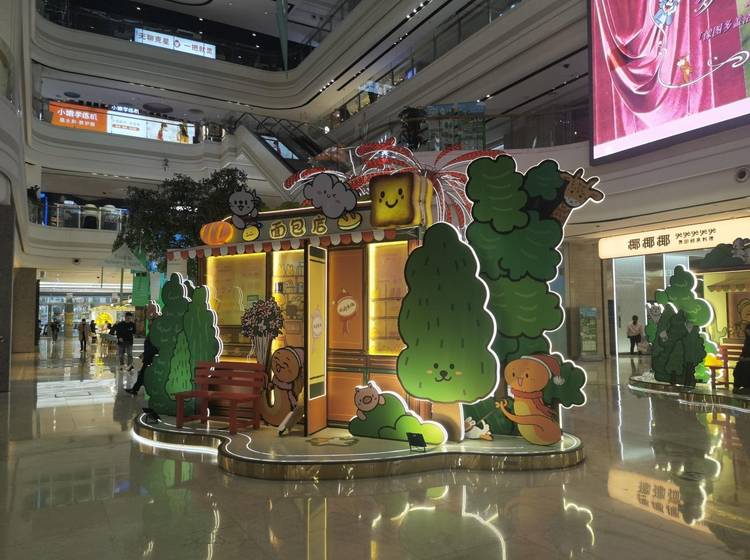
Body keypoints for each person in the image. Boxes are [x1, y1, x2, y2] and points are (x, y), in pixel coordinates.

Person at [733, 323, 750, 394]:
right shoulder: (747, 340)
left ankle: (747, 387)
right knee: (739, 367)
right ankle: (737, 386)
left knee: (746, 367)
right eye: (747, 332)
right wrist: (741, 357)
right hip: (745, 361)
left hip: (748, 361)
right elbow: (744, 351)